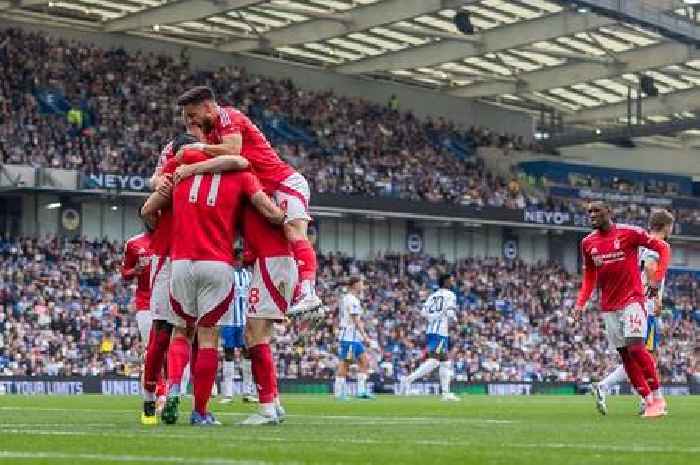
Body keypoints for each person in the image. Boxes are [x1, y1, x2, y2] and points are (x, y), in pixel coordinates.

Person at [146, 140, 284, 426]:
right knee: (208, 338)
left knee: (181, 333)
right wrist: (290, 218)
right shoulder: (241, 173)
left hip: (182, 263)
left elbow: (148, 207)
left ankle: (172, 388)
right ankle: (199, 411)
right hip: (217, 264)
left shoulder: (181, 167)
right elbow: (269, 212)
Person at [176, 86, 321, 315]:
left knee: (294, 232)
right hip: (268, 188)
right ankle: (302, 296)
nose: (191, 122)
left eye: (193, 115)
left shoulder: (228, 116)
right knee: (275, 239)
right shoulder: (213, 132)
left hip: (284, 182)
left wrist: (199, 150)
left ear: (207, 107)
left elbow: (234, 151)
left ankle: (309, 292)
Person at [574, 201, 670, 419]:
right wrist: (581, 302)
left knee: (637, 348)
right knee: (625, 356)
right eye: (589, 212)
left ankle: (659, 398)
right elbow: (590, 275)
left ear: (609, 211)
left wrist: (656, 280)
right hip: (608, 306)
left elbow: (663, 248)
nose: (592, 215)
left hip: (633, 300)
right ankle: (648, 401)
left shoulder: (630, 233)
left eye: (596, 210)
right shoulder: (588, 243)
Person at [237, 205, 299, 425]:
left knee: (254, 336)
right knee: (258, 336)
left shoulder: (255, 189)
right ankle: (274, 402)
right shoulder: (272, 192)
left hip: (271, 261)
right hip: (275, 260)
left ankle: (266, 408)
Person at [400, 274, 459, 401]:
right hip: (440, 331)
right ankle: (408, 380)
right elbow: (450, 313)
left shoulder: (432, 296)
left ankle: (445, 393)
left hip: (432, 330)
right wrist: (454, 319)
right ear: (447, 282)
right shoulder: (450, 295)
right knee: (435, 360)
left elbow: (423, 313)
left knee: (445, 362)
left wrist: (433, 318)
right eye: (452, 280)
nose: (453, 282)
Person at [218, 251, 257, 404]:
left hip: (244, 321)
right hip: (228, 320)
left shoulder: (248, 275)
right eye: (236, 259)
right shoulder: (226, 275)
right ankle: (228, 394)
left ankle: (247, 392)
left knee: (247, 353)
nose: (238, 262)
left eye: (240, 259)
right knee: (228, 354)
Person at [334, 277, 377, 401]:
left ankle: (361, 391)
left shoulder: (350, 299)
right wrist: (365, 337)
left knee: (365, 362)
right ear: (355, 285)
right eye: (361, 284)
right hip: (348, 336)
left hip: (354, 337)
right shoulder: (351, 299)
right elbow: (355, 320)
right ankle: (339, 392)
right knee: (345, 363)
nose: (363, 286)